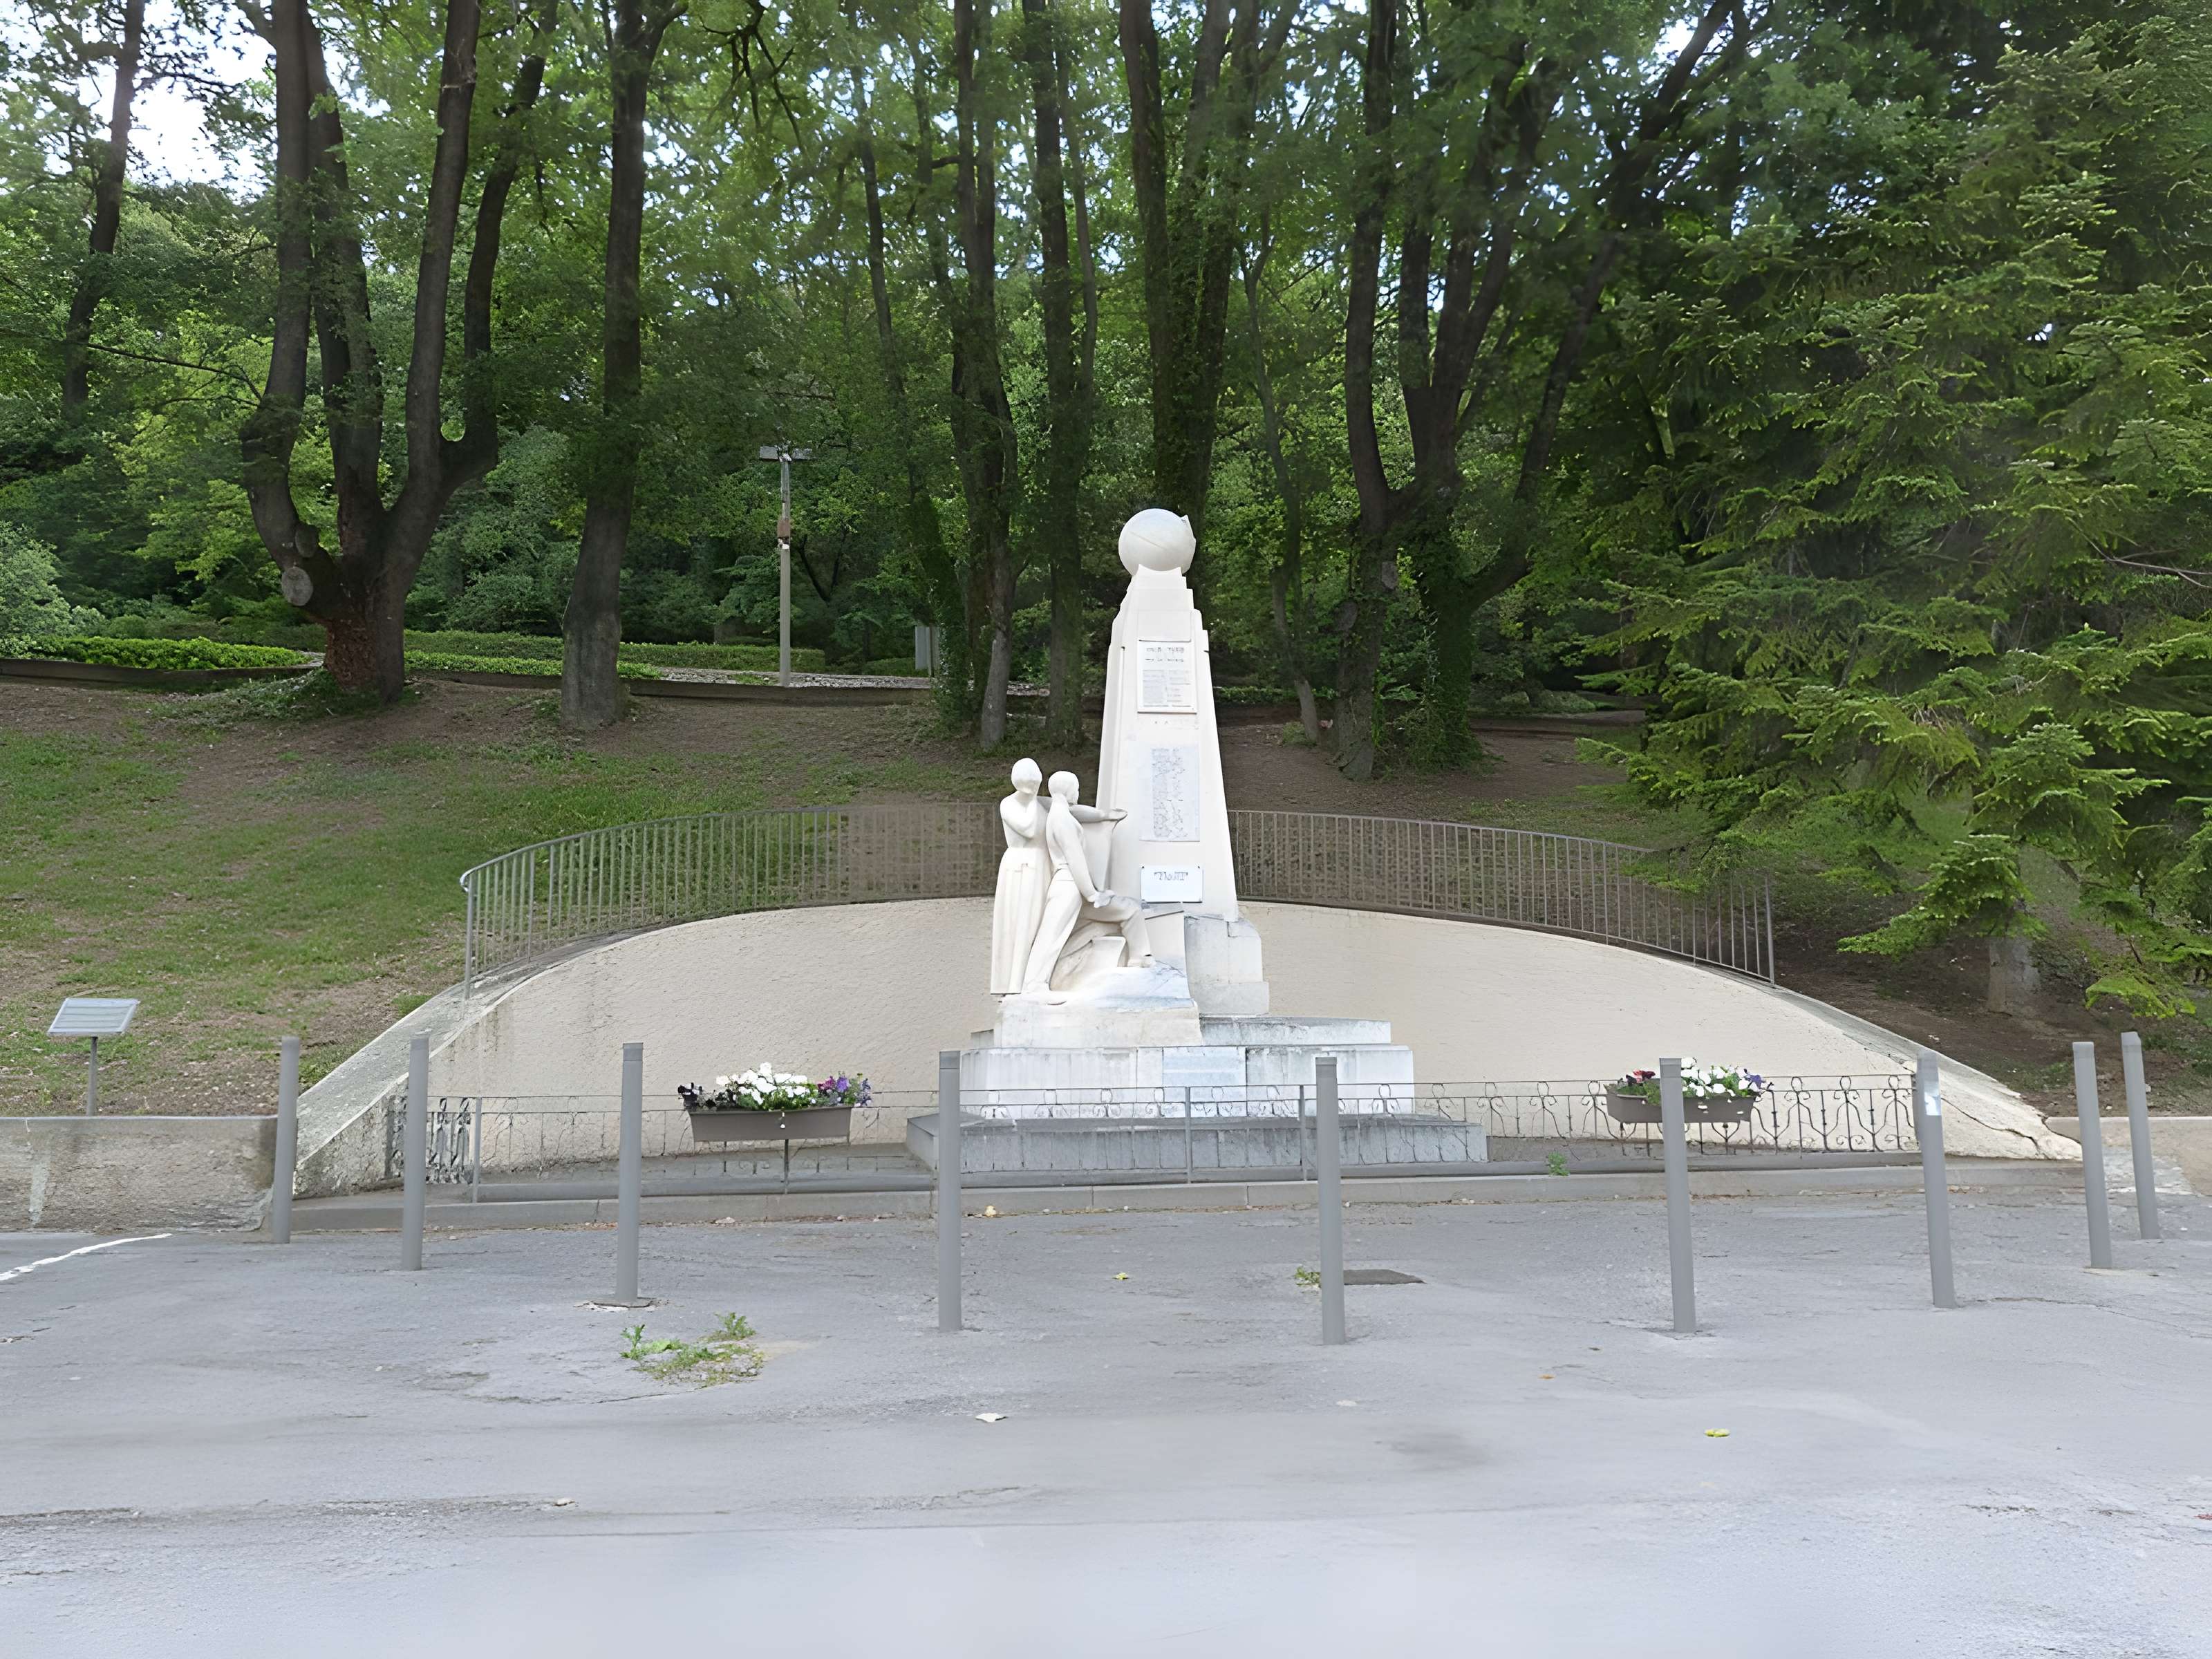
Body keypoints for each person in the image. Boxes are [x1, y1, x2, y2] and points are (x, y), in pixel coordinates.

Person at [991, 760, 1126, 995]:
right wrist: (1035, 797)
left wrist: (1104, 815)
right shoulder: (1010, 804)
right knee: (1022, 925)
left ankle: (1030, 983)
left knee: (1037, 926)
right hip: (1021, 868)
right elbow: (1030, 828)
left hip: (1043, 868)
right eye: (1031, 785)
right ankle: (1019, 985)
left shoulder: (1046, 806)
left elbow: (1070, 807)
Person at [1022, 771, 1147, 997]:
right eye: (1077, 788)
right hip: (1070, 885)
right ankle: (1034, 986)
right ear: (1069, 790)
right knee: (1051, 936)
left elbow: (1072, 808)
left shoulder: (1060, 813)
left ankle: (1140, 961)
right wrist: (1091, 894)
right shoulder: (1062, 820)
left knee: (1055, 934)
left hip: (1072, 886)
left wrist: (1103, 815)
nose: (1079, 793)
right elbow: (1075, 860)